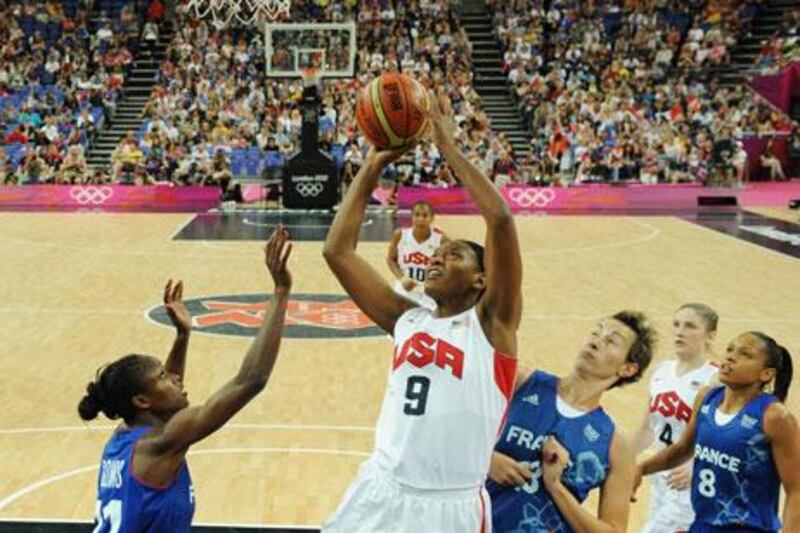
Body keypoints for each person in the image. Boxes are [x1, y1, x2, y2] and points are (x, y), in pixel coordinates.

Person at [322, 91, 522, 532]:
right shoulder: (407, 318)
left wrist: (448, 146)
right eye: (439, 253)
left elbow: (502, 222)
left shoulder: (492, 327)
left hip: (448, 507)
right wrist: (373, 166)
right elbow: (337, 250)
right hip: (380, 488)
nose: (437, 257)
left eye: (453, 255)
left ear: (481, 280)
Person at [79, 227, 293, 533]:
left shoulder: (125, 434)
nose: (176, 380)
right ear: (142, 400)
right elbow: (252, 380)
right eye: (163, 377)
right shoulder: (162, 443)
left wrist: (182, 336)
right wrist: (281, 293)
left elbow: (163, 404)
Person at [488, 312, 655, 532]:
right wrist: (486, 460)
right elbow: (442, 424)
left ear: (627, 369)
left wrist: (556, 487)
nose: (596, 340)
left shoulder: (616, 444)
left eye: (611, 340)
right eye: (596, 332)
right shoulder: (520, 382)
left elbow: (613, 529)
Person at [635, 331, 800, 532]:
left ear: (766, 374)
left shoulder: (774, 416)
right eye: (730, 350)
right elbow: (682, 449)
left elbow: (796, 490)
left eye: (745, 354)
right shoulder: (707, 398)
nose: (730, 357)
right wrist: (640, 469)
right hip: (703, 524)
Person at [635, 303, 719, 533]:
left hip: (690, 481)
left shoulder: (716, 379)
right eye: (677, 324)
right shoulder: (662, 370)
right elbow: (647, 429)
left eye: (690, 326)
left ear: (710, 336)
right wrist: (620, 460)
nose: (680, 331)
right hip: (659, 477)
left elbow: (723, 436)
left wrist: (695, 464)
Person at [386, 200, 449, 310]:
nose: (420, 219)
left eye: (425, 215)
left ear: (432, 217)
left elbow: (451, 265)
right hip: (405, 288)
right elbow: (391, 259)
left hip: (429, 291)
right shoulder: (400, 235)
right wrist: (402, 278)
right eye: (417, 215)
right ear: (412, 216)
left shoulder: (441, 240)